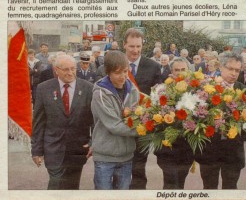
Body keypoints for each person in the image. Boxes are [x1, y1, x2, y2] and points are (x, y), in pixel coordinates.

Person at [31, 54, 93, 189]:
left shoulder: (88, 88)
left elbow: (94, 120)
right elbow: (38, 123)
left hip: (78, 149)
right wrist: (36, 150)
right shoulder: (44, 88)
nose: (70, 73)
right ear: (56, 70)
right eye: (65, 69)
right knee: (56, 183)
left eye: (73, 69)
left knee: (72, 186)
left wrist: (93, 142)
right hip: (53, 147)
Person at [195, 51, 246, 189]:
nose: (233, 73)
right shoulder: (207, 87)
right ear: (221, 67)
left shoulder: (245, 91)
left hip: (233, 153)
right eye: (230, 69)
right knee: (209, 189)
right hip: (210, 151)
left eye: (237, 70)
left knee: (230, 190)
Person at [91, 50, 139, 190]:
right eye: (117, 73)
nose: (123, 76)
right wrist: (143, 129)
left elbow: (137, 117)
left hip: (127, 157)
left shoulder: (133, 89)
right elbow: (114, 126)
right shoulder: (100, 93)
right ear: (108, 72)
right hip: (105, 157)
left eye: (125, 71)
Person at [123, 27, 161, 189]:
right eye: (132, 46)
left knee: (139, 166)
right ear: (124, 45)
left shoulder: (153, 66)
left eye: (138, 46)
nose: (135, 50)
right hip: (119, 124)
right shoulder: (115, 63)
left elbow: (158, 96)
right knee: (120, 165)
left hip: (142, 127)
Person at [155, 57, 194, 189]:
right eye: (176, 70)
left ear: (188, 71)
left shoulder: (196, 91)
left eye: (183, 70)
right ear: (171, 72)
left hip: (186, 150)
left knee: (180, 184)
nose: (180, 73)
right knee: (170, 184)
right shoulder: (162, 90)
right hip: (167, 150)